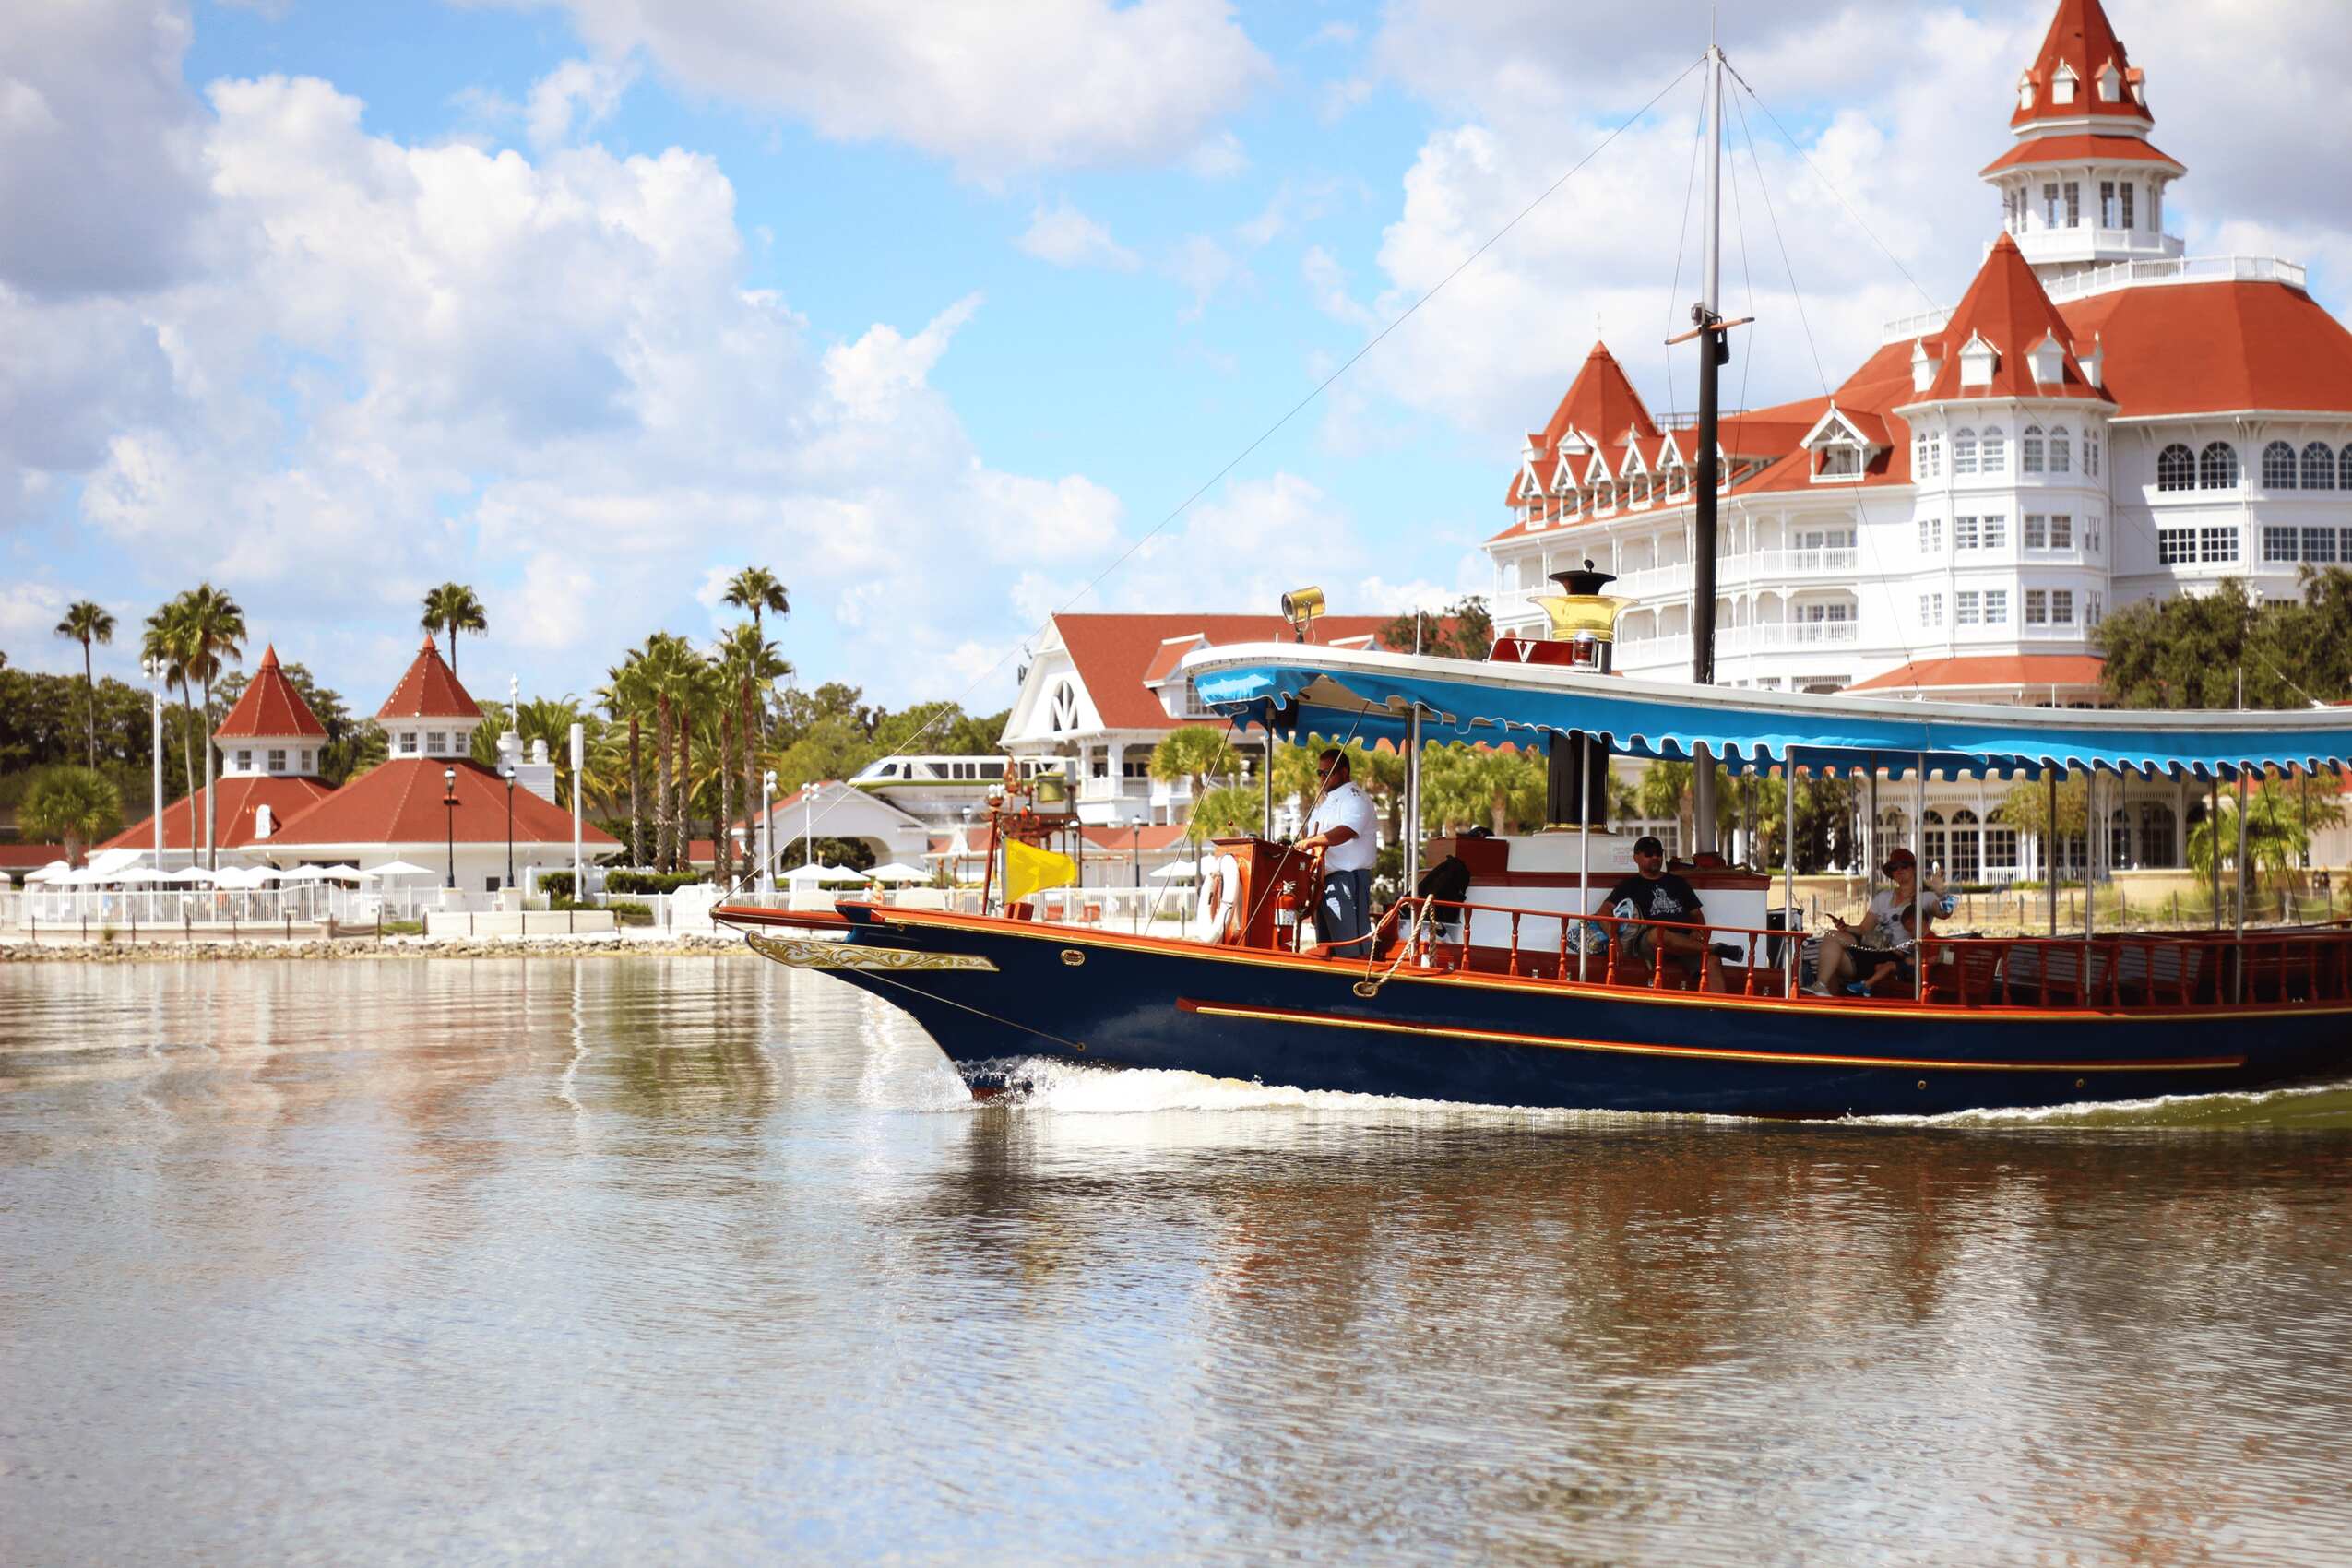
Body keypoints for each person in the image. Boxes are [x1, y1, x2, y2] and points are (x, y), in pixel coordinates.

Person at [1594, 835, 1723, 991]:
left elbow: (1696, 914)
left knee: (1713, 961)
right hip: (1650, 941)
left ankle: (1720, 1012)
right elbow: (1603, 912)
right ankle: (1713, 947)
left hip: (1685, 941)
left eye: (1659, 853)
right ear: (1636, 858)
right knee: (1658, 934)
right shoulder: (1629, 885)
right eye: (1649, 853)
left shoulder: (1678, 882)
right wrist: (1614, 939)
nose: (1655, 857)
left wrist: (1697, 930)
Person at [1812, 847, 1932, 996]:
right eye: (1894, 868)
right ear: (1891, 874)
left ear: (1914, 869)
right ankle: (1821, 987)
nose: (1899, 870)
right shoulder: (1883, 897)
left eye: (1904, 866)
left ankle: (1826, 994)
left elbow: (1945, 911)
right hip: (1872, 944)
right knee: (1831, 936)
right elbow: (1864, 929)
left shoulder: (1925, 897)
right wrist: (1846, 927)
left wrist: (1941, 891)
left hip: (1895, 953)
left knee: (1832, 961)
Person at [1294, 748, 1379, 958]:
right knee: (1327, 948)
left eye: (1328, 772)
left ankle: (1359, 986)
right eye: (1320, 773)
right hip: (1323, 881)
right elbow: (1312, 833)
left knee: (1351, 949)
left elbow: (1347, 831)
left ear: (1344, 772)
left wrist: (1310, 841)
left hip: (1347, 879)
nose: (1323, 777)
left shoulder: (1355, 799)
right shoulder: (1327, 802)